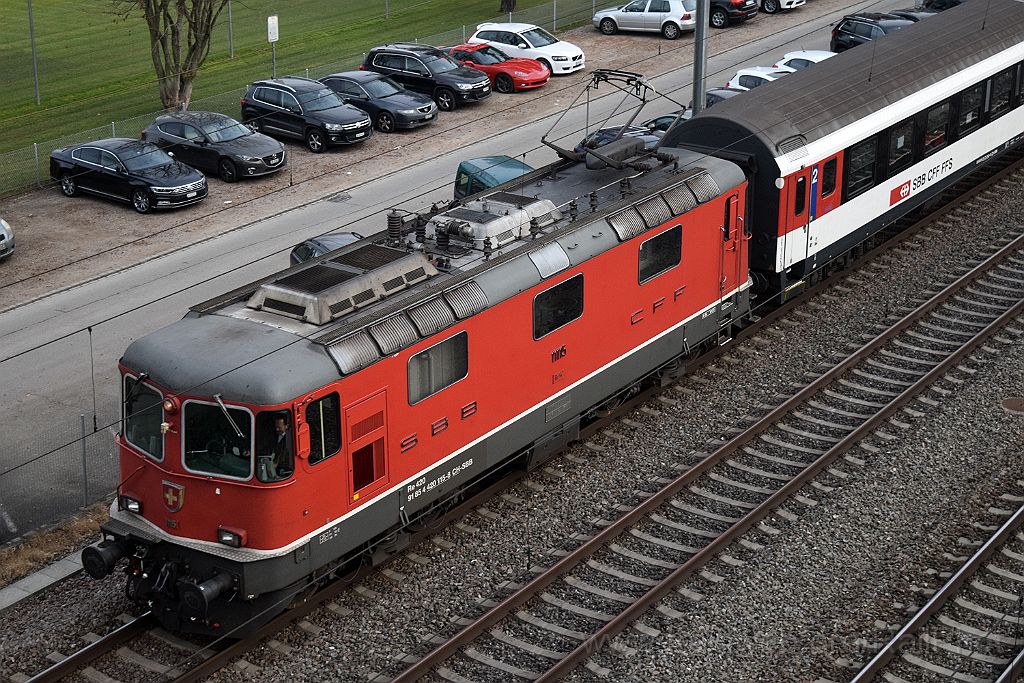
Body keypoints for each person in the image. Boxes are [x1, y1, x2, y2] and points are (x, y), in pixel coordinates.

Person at [271, 414, 294, 478]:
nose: (277, 429)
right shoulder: (273, 435)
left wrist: (275, 464)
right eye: (276, 427)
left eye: (279, 427)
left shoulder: (290, 440)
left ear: (286, 426)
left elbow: (283, 454)